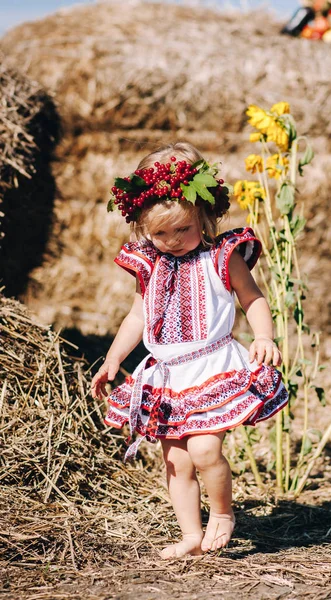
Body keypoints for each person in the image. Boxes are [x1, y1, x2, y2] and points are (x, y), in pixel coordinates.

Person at [91, 142, 288, 559]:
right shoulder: (149, 263)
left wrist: (264, 336)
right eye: (159, 233)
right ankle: (190, 535)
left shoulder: (222, 255)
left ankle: (221, 512)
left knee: (204, 449)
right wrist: (113, 358)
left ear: (205, 214)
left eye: (182, 229)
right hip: (168, 374)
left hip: (213, 365)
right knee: (177, 462)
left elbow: (252, 298)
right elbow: (137, 317)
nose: (172, 241)